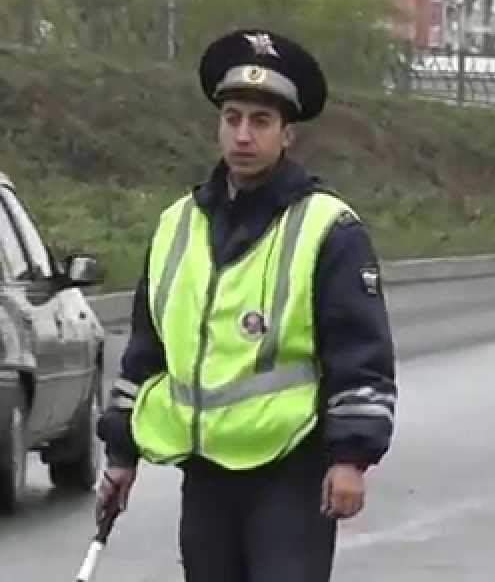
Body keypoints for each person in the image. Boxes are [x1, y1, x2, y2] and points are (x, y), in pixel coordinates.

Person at [95, 29, 398, 581]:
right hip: (206, 471)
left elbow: (360, 351)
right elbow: (146, 353)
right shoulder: (176, 225)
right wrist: (120, 454)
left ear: (288, 135)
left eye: (260, 122)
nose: (242, 135)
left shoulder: (329, 228)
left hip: (290, 471)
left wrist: (350, 457)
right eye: (232, 118)